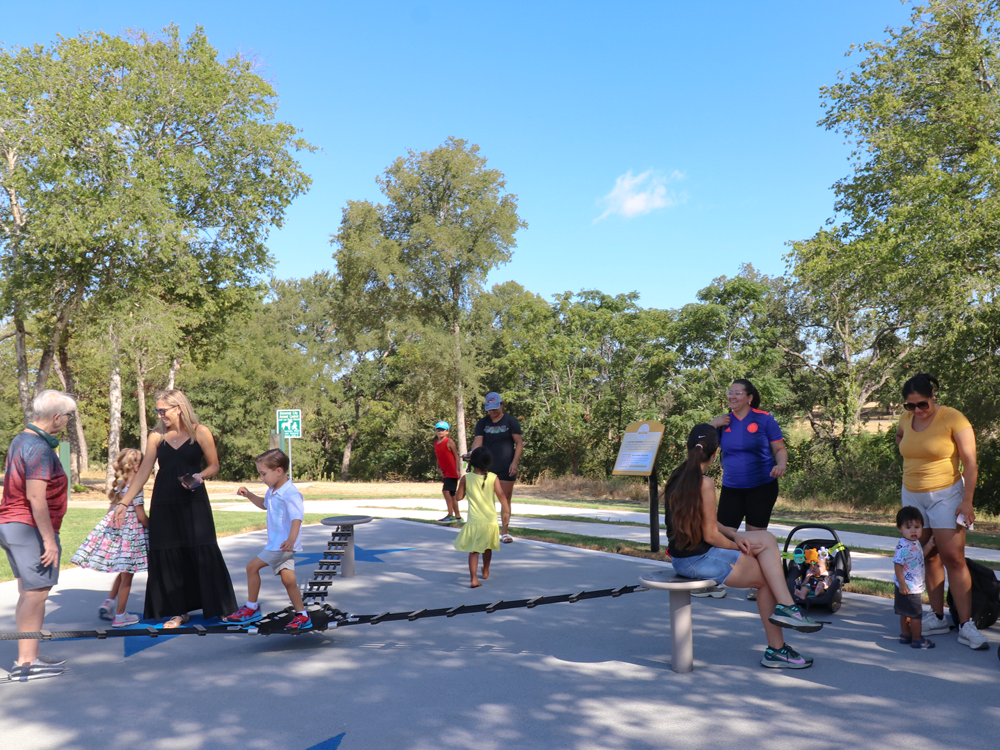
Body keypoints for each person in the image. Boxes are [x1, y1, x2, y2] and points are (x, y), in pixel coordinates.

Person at [664, 423, 822, 669]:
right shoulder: (704, 483)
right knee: (767, 578)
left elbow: (709, 522)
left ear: (688, 448)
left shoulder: (678, 476)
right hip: (697, 560)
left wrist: (736, 536)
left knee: (767, 538)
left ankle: (787, 609)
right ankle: (779, 642)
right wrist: (740, 548)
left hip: (684, 556)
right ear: (717, 454)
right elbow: (711, 535)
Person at [114, 389, 236, 627]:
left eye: (163, 410)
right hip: (164, 501)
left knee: (203, 547)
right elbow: (144, 472)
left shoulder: (201, 432)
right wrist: (124, 502)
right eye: (157, 411)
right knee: (169, 552)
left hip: (194, 499)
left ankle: (220, 606)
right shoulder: (156, 437)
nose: (160, 415)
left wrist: (199, 476)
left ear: (178, 408)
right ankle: (178, 612)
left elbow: (214, 465)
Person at [894, 373, 986, 650]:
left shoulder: (953, 418)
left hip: (946, 494)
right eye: (910, 406)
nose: (917, 411)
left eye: (922, 404)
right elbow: (900, 437)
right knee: (928, 557)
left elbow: (970, 463)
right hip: (912, 495)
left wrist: (967, 500)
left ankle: (966, 625)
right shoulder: (905, 419)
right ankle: (937, 617)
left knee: (953, 558)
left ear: (933, 394)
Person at [0, 390, 77, 681]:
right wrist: (48, 540)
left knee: (28, 593)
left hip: (11, 524)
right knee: (36, 594)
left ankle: (28, 652)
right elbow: (36, 497)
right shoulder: (40, 448)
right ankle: (26, 661)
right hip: (26, 526)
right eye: (68, 416)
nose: (68, 421)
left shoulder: (22, 439)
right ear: (57, 416)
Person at [709, 379, 787, 601]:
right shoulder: (723, 422)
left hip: (761, 487)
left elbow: (779, 448)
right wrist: (711, 425)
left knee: (755, 538)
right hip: (731, 488)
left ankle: (758, 583)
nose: (731, 396)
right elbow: (701, 446)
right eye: (729, 392)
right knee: (720, 535)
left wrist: (780, 465)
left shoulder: (764, 419)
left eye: (737, 393)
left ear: (749, 397)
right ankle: (713, 581)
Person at [223, 449, 311, 631]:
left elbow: (297, 518)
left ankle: (251, 607)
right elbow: (264, 505)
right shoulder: (273, 491)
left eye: (263, 474)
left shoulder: (291, 493)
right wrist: (249, 494)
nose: (261, 478)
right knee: (288, 580)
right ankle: (302, 615)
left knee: (251, 567)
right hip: (278, 544)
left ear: (279, 471)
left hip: (281, 545)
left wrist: (291, 540)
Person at [72, 448, 149, 628]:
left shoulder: (120, 486)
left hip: (119, 534)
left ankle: (109, 602)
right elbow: (141, 516)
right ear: (137, 467)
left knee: (123, 572)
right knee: (127, 576)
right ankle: (121, 616)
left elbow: (110, 511)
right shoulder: (135, 488)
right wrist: (154, 528)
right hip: (131, 537)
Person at [453, 447, 510, 588]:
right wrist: (507, 511)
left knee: (474, 550)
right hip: (490, 520)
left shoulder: (466, 478)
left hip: (474, 520)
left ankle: (473, 579)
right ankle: (485, 570)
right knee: (487, 547)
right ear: (489, 463)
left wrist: (464, 487)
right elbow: (501, 495)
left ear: (471, 462)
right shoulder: (493, 477)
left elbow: (458, 497)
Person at [468, 392, 522, 543]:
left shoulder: (510, 421)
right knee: (485, 499)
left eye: (495, 408)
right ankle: (486, 531)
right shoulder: (483, 423)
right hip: (486, 467)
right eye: (490, 409)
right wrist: (472, 454)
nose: (493, 412)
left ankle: (504, 532)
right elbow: (478, 441)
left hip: (506, 467)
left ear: (502, 405)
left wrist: (515, 462)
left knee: (505, 499)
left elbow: (519, 443)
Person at [894, 506, 937, 649]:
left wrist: (930, 545)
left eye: (917, 527)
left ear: (922, 527)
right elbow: (898, 565)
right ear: (900, 528)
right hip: (909, 586)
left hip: (908, 585)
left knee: (905, 612)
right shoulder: (904, 546)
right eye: (908, 527)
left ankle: (905, 635)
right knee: (916, 615)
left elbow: (919, 556)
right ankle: (917, 639)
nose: (913, 530)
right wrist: (902, 583)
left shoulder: (915, 543)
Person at [433, 421, 462, 523]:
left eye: (442, 430)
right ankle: (458, 517)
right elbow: (438, 456)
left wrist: (458, 469)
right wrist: (438, 468)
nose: (440, 432)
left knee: (446, 491)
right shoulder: (436, 443)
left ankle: (450, 515)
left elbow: (456, 456)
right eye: (438, 430)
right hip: (445, 472)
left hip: (452, 471)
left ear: (447, 431)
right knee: (452, 494)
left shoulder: (449, 442)